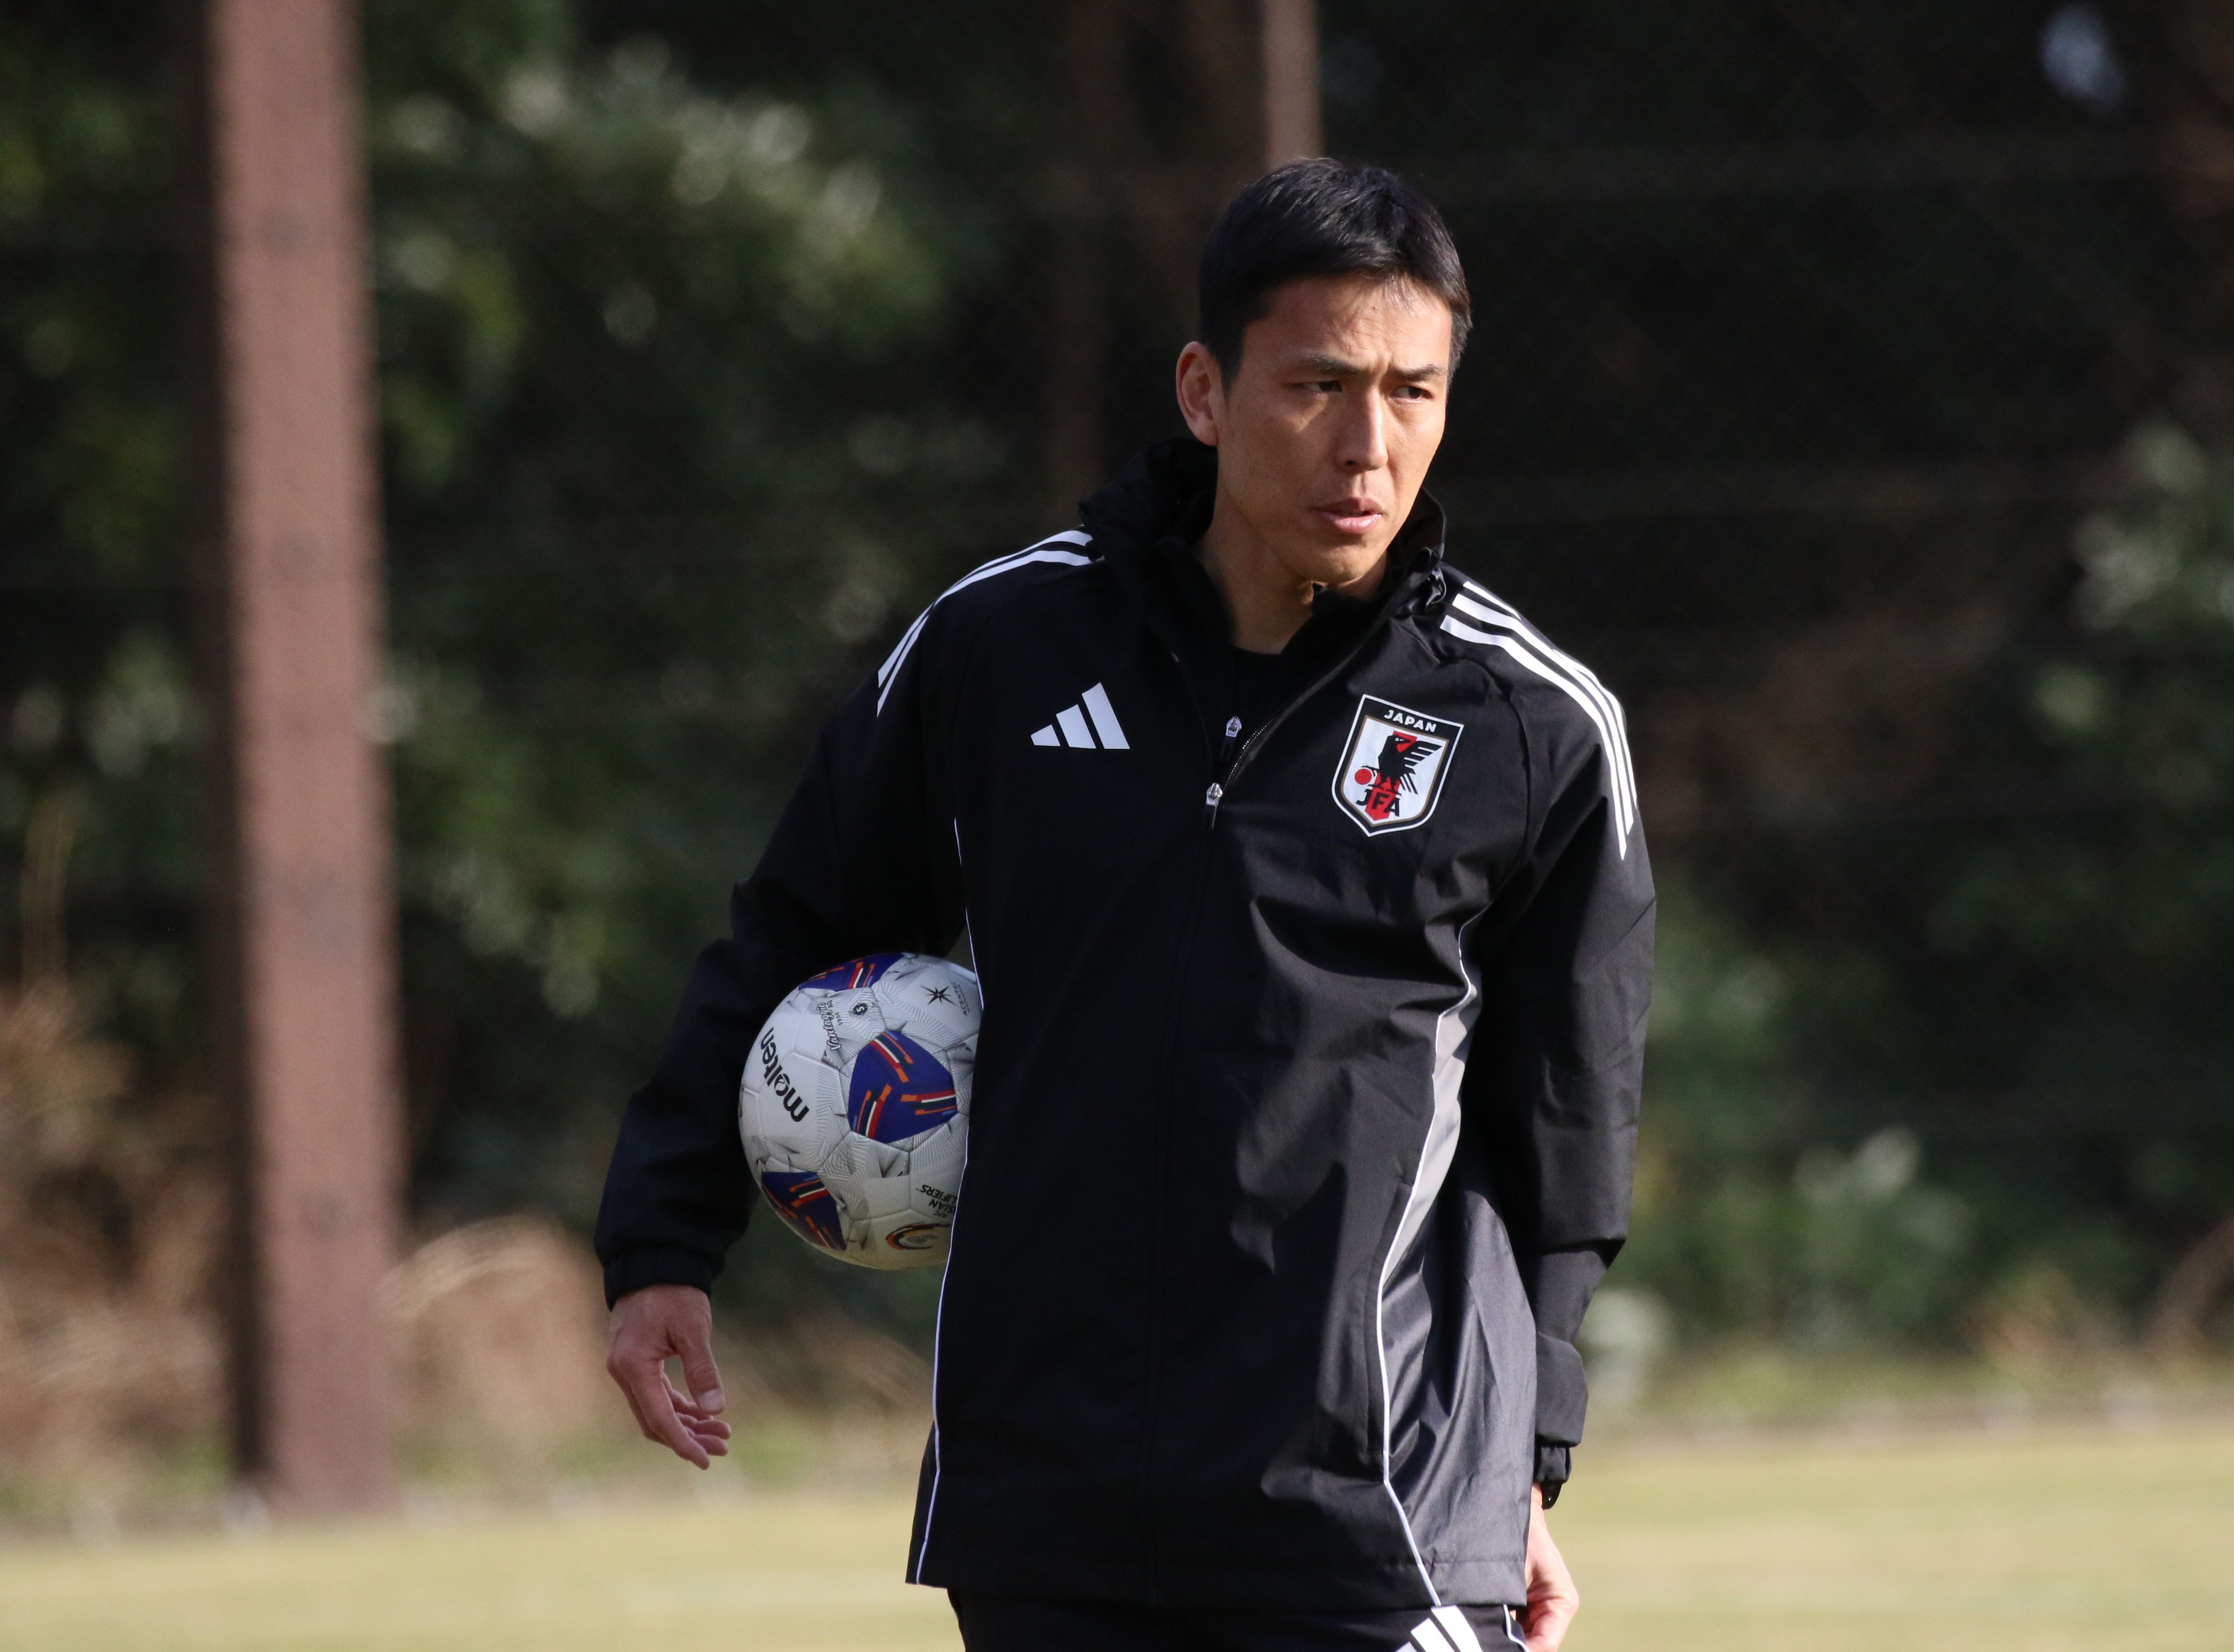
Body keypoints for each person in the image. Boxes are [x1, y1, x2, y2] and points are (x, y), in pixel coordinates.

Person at [594, 158, 1655, 1652]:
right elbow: (791, 936)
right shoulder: (997, 650)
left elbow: (1564, 1130)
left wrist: (1526, 1457)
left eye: (1413, 393)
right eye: (1317, 386)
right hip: (1050, 1502)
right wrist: (661, 1244)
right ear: (1204, 392)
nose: (1368, 445)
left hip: (1378, 1513)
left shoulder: (1530, 724)